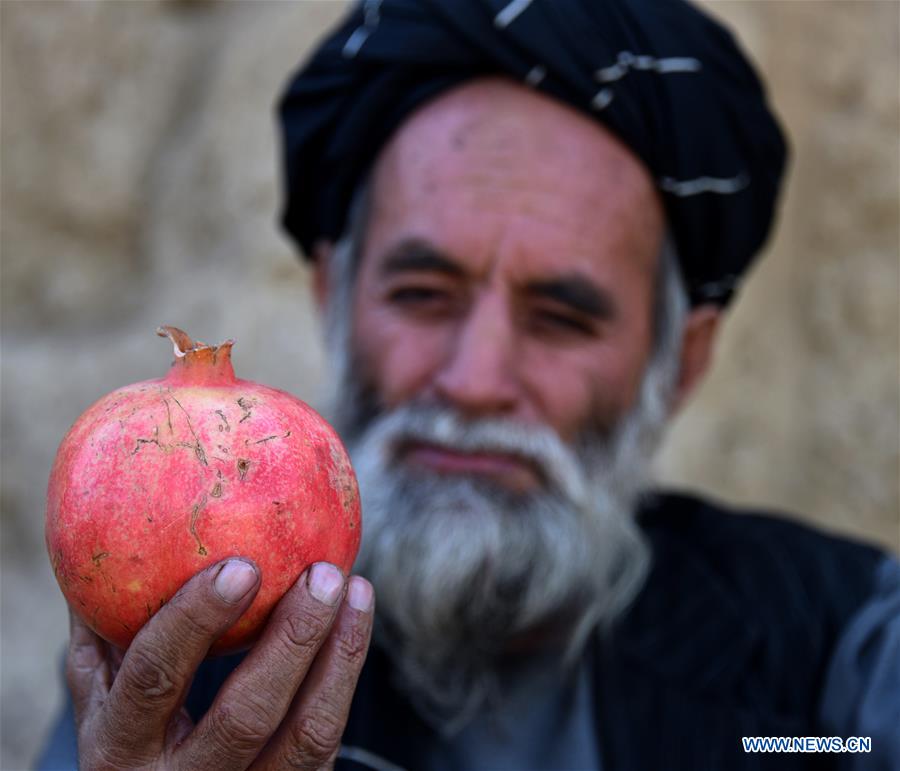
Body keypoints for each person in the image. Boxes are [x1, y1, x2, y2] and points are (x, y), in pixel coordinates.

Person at [39, 1, 899, 769]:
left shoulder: (835, 666)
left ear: (681, 361)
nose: (474, 381)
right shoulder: (184, 683)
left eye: (561, 318)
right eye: (423, 295)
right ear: (334, 297)